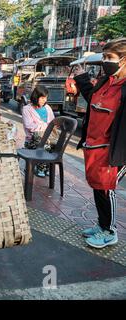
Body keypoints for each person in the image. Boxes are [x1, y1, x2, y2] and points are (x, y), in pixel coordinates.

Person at [73, 38, 126, 249]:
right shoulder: (107, 81)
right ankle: (101, 225)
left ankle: (110, 231)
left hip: (115, 150)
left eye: (110, 58)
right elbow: (93, 99)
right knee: (98, 187)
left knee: (106, 189)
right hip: (95, 146)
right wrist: (81, 78)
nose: (105, 61)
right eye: (104, 57)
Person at [21, 85, 55, 178]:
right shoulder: (27, 109)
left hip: (47, 136)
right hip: (32, 139)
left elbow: (53, 122)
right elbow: (29, 126)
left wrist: (47, 127)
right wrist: (45, 126)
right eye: (42, 98)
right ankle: (40, 168)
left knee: (55, 144)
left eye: (46, 98)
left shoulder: (47, 108)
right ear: (36, 97)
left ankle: (46, 168)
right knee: (44, 142)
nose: (44, 100)